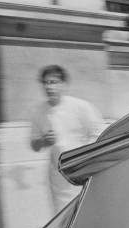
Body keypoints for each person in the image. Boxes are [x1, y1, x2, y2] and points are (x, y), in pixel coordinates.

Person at [30, 65, 105, 213]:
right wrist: (44, 141)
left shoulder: (81, 107)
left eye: (53, 82)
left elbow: (99, 133)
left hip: (84, 173)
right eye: (45, 83)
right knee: (63, 219)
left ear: (63, 84)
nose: (48, 87)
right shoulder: (38, 111)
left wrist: (84, 157)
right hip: (59, 179)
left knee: (87, 214)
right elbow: (34, 144)